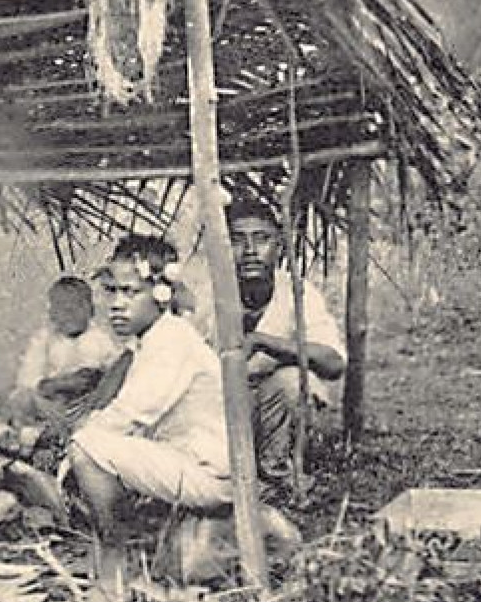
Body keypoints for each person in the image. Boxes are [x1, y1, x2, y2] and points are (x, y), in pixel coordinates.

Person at [65, 235, 296, 574]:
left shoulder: (171, 340)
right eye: (111, 291)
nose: (116, 304)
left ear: (162, 296)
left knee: (86, 448)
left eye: (130, 292)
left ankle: (116, 558)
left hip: (209, 476)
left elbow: (130, 413)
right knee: (93, 445)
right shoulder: (152, 339)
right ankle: (140, 542)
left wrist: (72, 449)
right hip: (188, 464)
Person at [227, 196, 347, 480]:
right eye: (238, 240)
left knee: (291, 380)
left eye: (261, 239)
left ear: (279, 245)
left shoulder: (297, 292)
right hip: (223, 415)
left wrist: (263, 341)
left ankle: (277, 472)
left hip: (276, 413)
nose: (250, 251)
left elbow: (333, 363)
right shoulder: (210, 293)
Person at [14, 275, 123, 412]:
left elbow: (117, 369)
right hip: (51, 399)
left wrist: (97, 378)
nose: (68, 312)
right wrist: (57, 384)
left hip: (87, 403)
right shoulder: (44, 339)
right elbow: (27, 378)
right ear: (51, 313)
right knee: (24, 401)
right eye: (61, 306)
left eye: (76, 305)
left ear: (91, 310)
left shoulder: (101, 339)